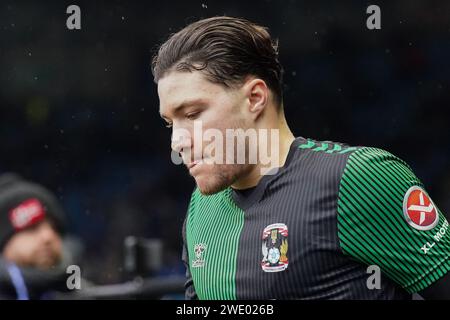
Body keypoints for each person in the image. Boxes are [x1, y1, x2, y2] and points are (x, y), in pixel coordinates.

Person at [151, 16, 450, 299]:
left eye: (192, 114)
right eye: (170, 123)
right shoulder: (203, 206)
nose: (177, 142)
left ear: (255, 98)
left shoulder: (358, 177)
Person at [0, 173, 71, 299]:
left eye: (54, 228)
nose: (48, 236)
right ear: (4, 242)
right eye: (32, 228)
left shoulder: (85, 293)